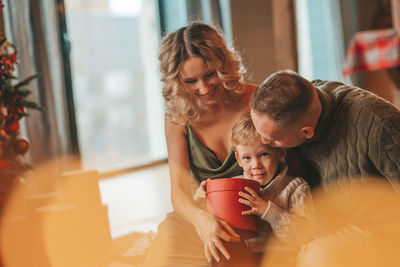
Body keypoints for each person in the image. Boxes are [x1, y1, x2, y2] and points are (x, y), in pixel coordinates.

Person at [142, 21, 258, 266]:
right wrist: (202, 221)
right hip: (201, 215)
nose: (204, 88)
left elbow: (287, 166)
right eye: (191, 81)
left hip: (256, 213)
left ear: (224, 65)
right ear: (177, 81)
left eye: (210, 74)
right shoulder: (177, 118)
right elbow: (179, 192)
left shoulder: (256, 100)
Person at [250, 69, 400, 191]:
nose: (263, 141)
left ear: (306, 132)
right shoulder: (301, 103)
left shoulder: (379, 124)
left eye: (272, 138)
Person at [194, 111, 313, 257]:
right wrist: (202, 197)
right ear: (238, 159)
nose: (256, 165)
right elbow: (207, 222)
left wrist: (267, 211)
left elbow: (305, 236)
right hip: (244, 255)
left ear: (280, 153)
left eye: (264, 155)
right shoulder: (233, 188)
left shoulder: (296, 188)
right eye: (247, 158)